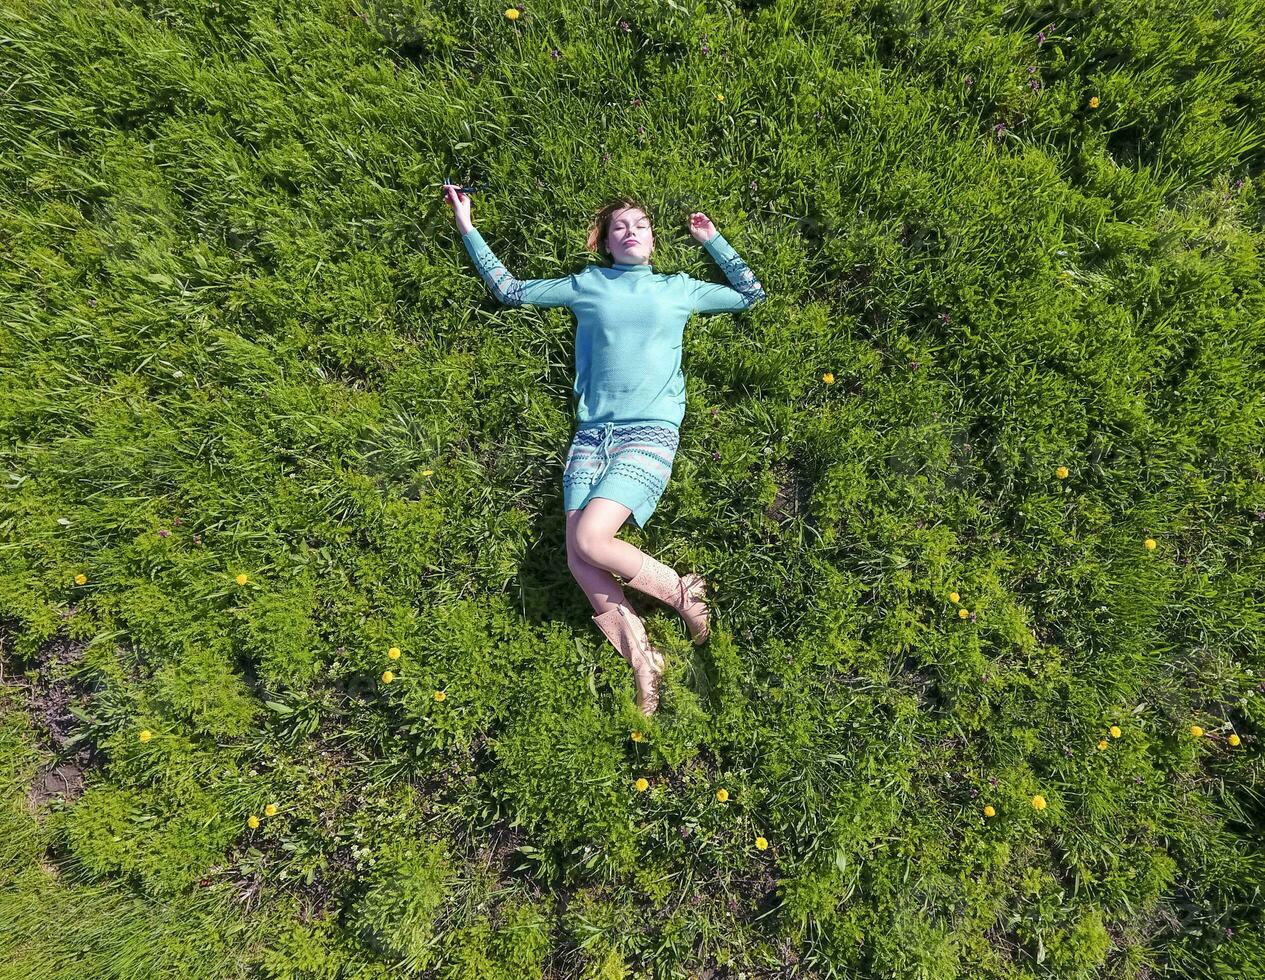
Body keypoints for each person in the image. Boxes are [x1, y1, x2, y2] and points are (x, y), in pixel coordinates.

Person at [443, 184, 767, 714]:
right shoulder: (587, 285)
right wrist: (467, 225)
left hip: (650, 430)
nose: (631, 231)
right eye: (620, 227)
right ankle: (643, 657)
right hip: (592, 436)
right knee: (577, 555)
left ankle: (684, 591)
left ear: (654, 241)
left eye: (640, 224)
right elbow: (509, 289)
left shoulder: (678, 288)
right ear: (606, 244)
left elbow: (750, 293)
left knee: (591, 539)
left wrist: (713, 240)